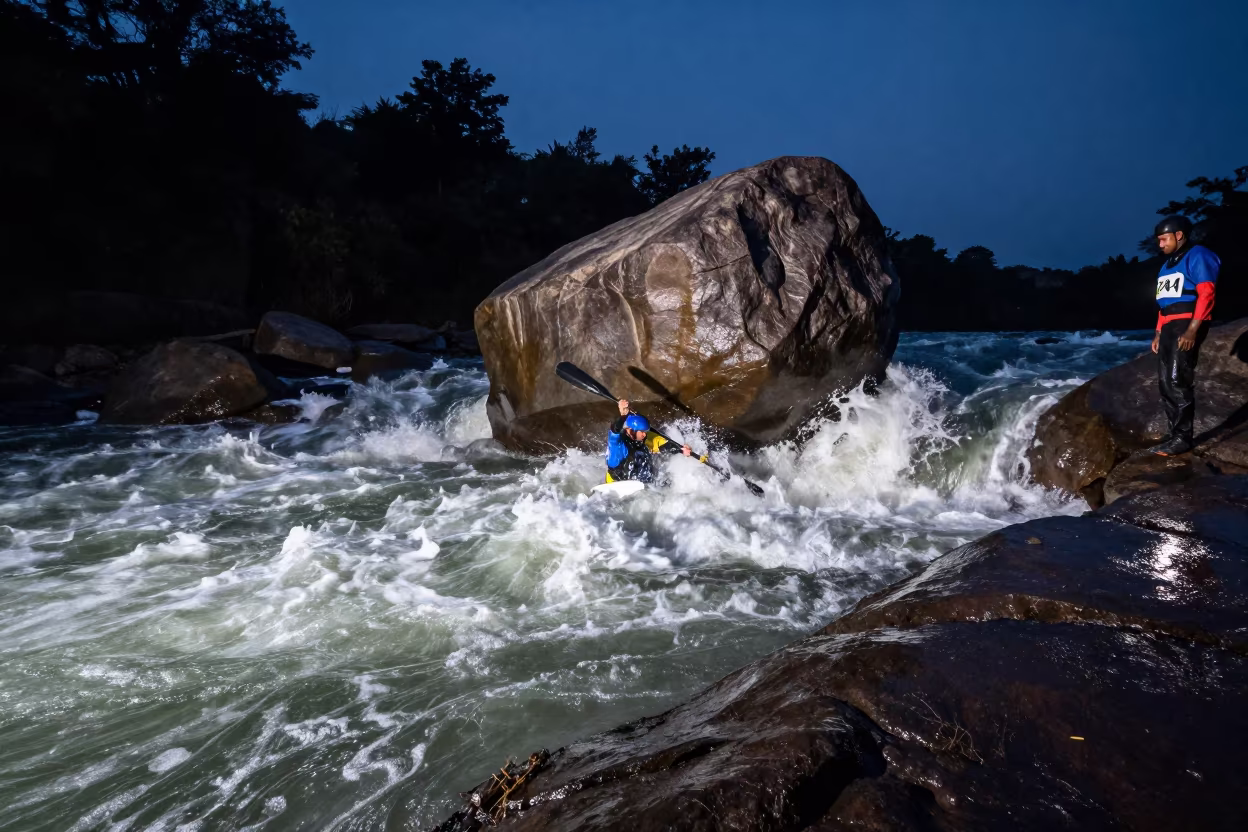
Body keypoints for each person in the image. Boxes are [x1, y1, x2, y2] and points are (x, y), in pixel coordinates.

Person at [1149, 214, 1220, 456]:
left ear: (1179, 235)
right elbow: (1164, 304)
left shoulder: (1198, 254)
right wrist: (1158, 333)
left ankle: (1183, 439)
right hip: (1168, 325)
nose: (1160, 245)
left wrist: (1192, 329)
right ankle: (1174, 434)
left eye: (1164, 239)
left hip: (1187, 324)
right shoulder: (1166, 265)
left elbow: (1207, 294)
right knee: (1164, 382)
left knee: (1178, 380)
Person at [605, 398, 692, 483]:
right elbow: (614, 430)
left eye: (645, 431)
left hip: (643, 480)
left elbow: (662, 444)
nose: (645, 434)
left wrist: (681, 449)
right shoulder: (618, 446)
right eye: (642, 432)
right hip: (617, 483)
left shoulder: (641, 437)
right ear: (631, 430)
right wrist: (624, 416)